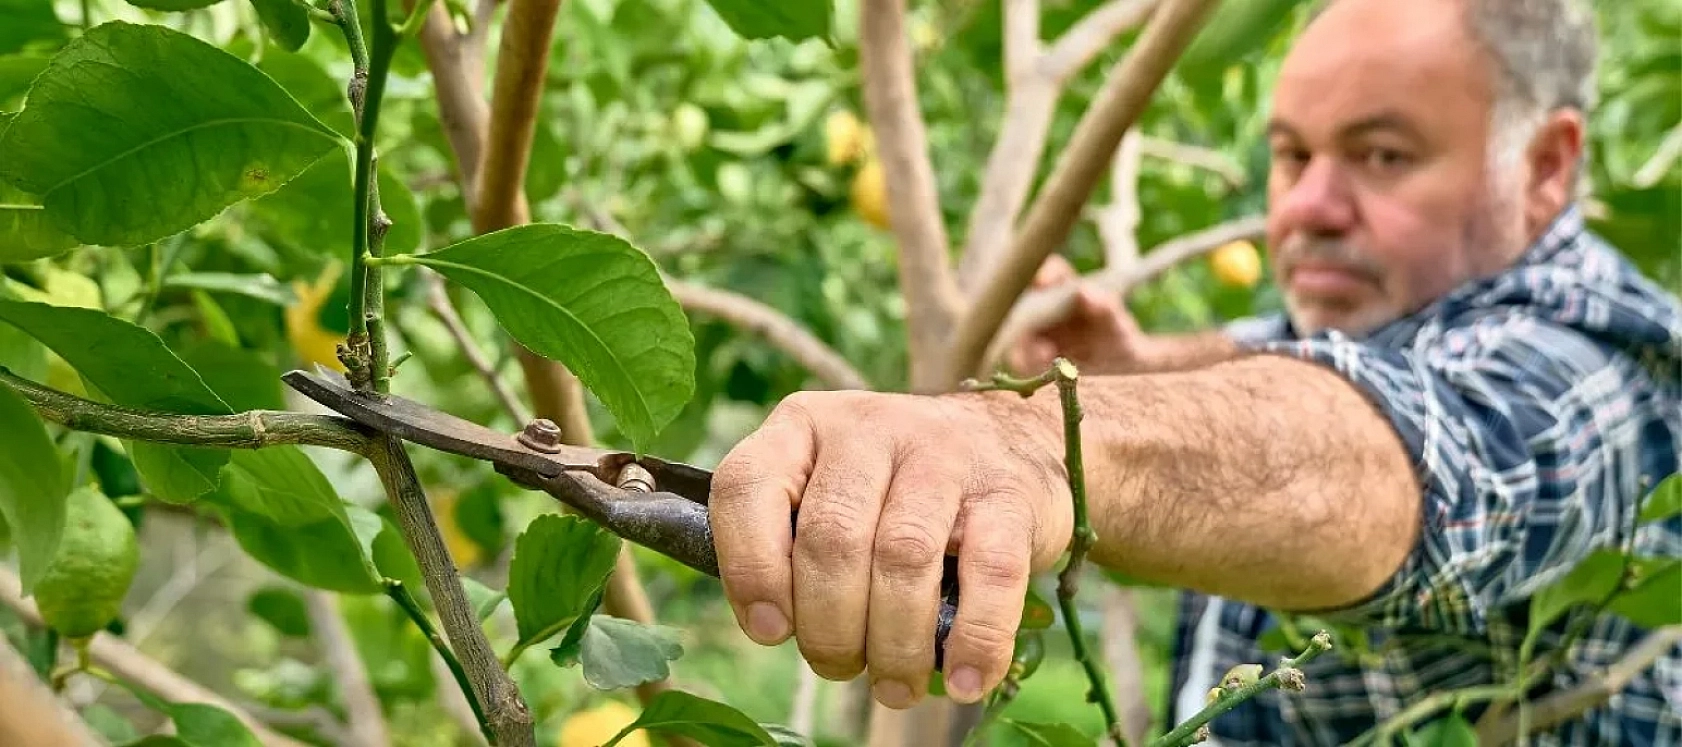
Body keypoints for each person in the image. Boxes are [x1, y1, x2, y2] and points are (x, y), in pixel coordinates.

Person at [706, 0, 1682, 742]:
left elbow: (1431, 451)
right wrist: (1135, 369)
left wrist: (1041, 444)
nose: (1306, 208)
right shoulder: (1405, 309)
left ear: (1544, 165)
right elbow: (1308, 365)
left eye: (1381, 155)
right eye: (1289, 155)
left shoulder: (1602, 366)